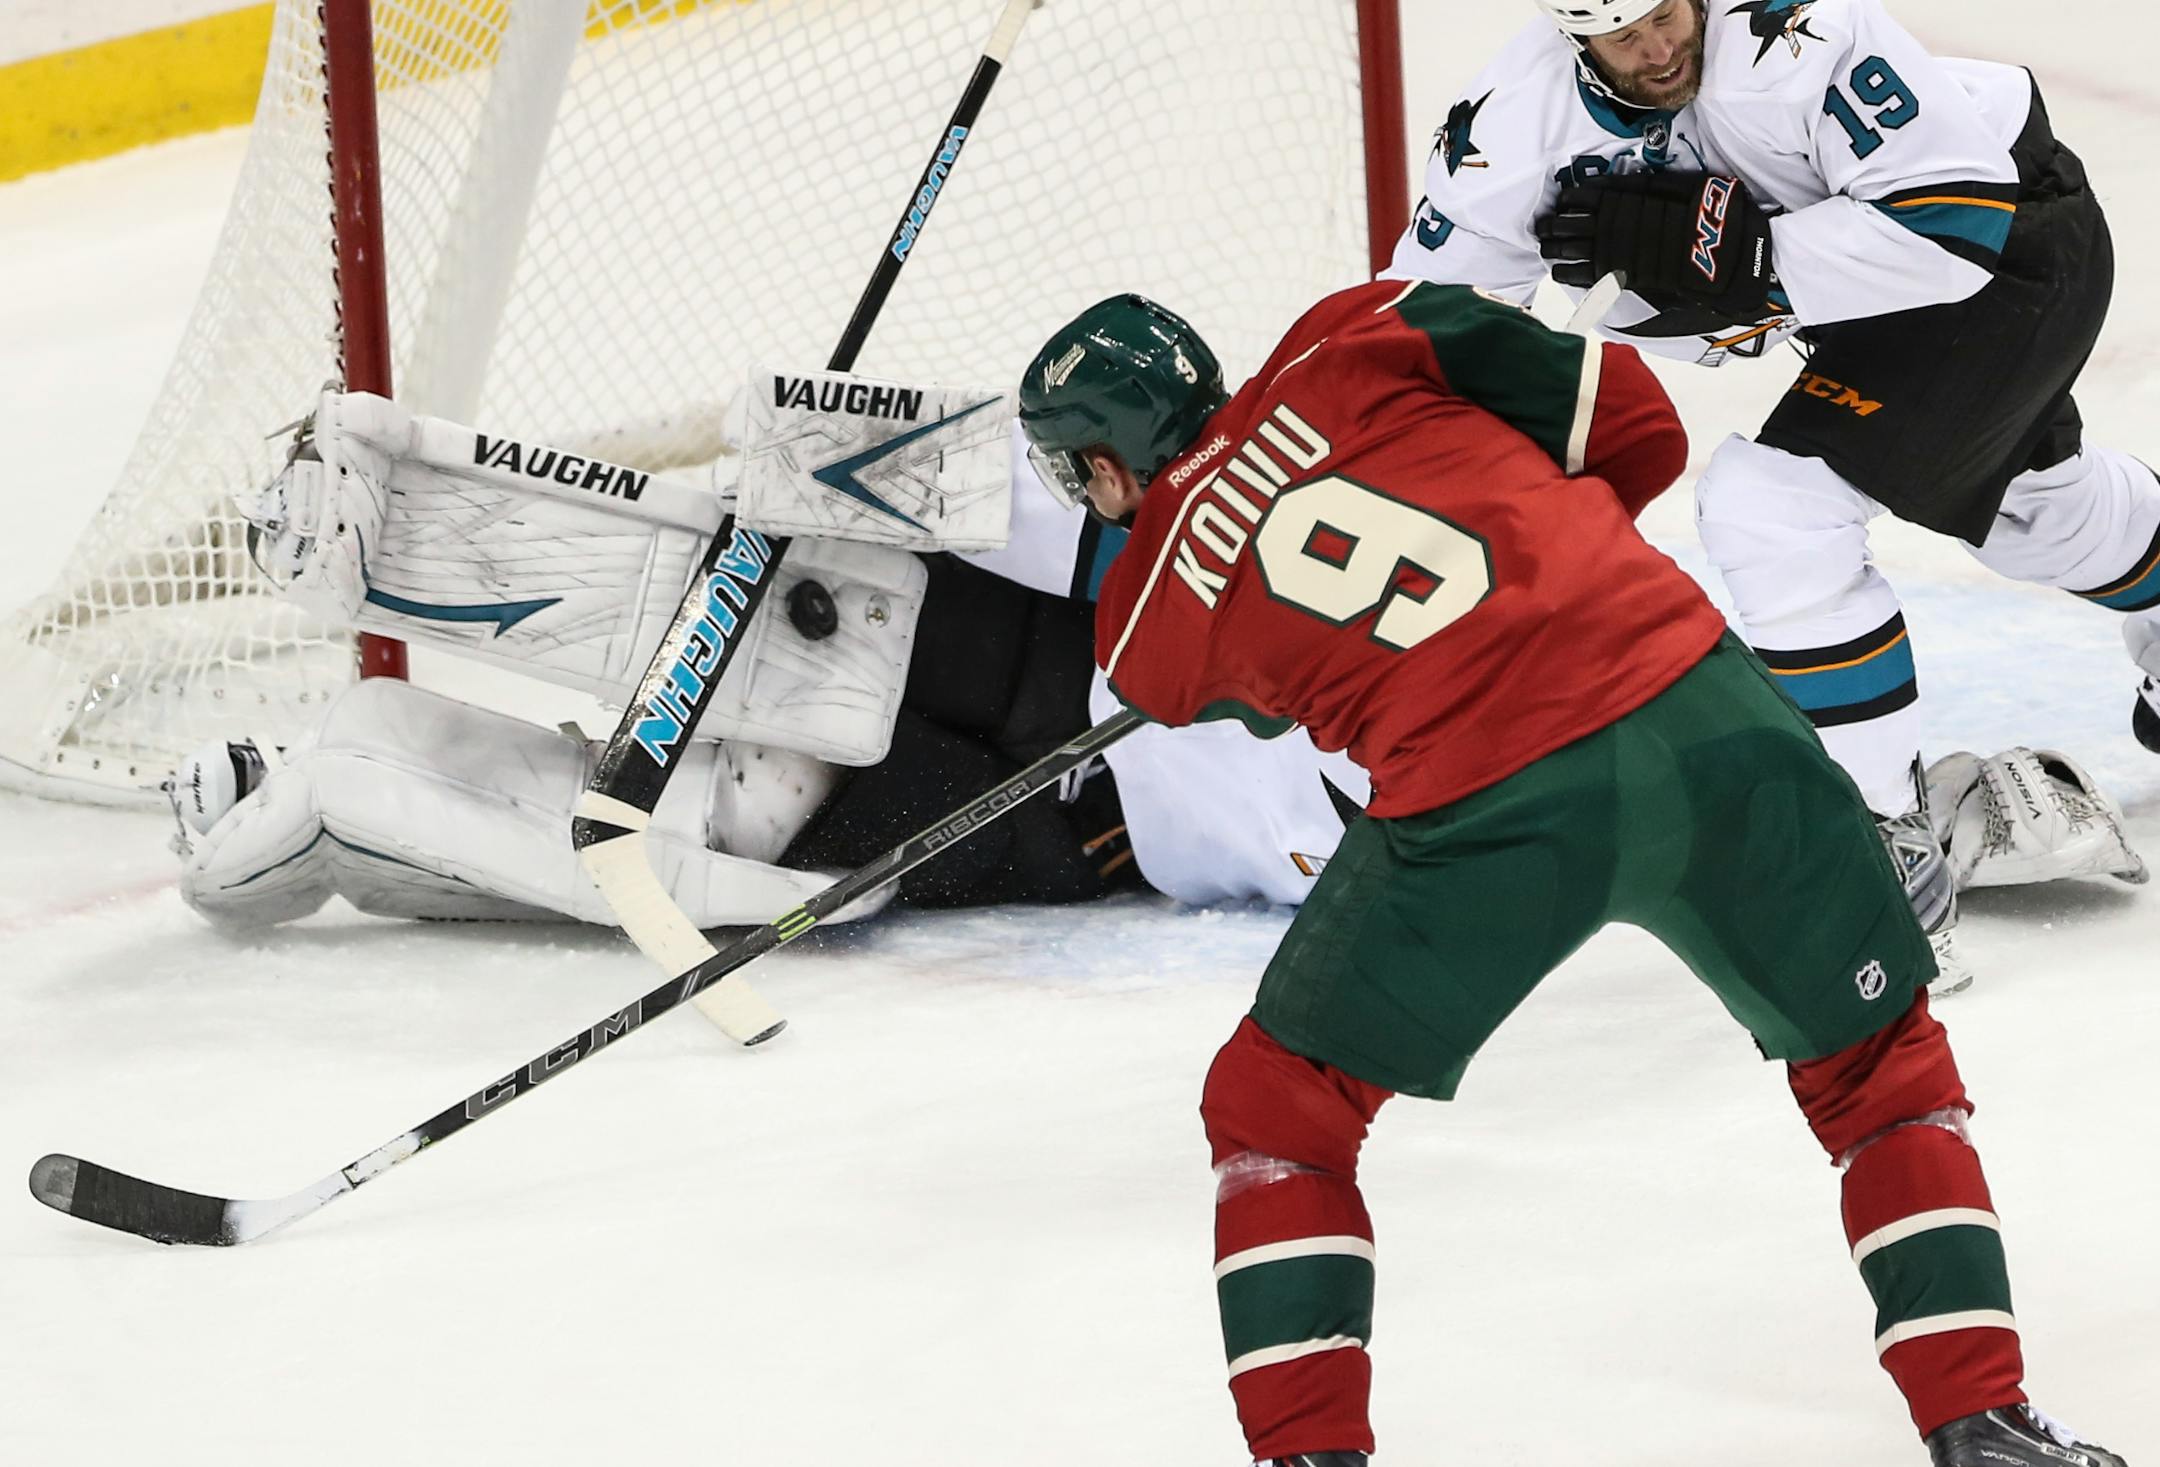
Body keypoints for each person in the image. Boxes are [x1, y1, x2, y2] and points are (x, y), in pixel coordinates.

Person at [1016, 285, 2126, 1466]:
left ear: (1103, 464)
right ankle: (1985, 1422)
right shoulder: (1364, 330)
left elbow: (1248, 703)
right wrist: (1553, 548)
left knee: (1276, 1111)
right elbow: (1636, 420)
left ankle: (1309, 1454)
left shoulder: (1143, 625)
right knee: (1879, 1070)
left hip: (1490, 813)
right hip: (1705, 714)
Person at [1384, 0, 2158, 975]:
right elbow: (1414, 327)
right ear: (1572, 34)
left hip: (2011, 251)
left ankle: (1874, 865)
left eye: (1667, 12)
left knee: (1770, 506)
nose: (1660, 47)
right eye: (1625, 38)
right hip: (1880, 308)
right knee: (2034, 518)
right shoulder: (1508, 125)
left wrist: (1748, 261)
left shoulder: (1797, 34)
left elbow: (1956, 220)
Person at [172, 431, 1368, 931]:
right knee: (845, 582)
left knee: (762, 810)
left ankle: (320, 799)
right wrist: (870, 454)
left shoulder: (1448, 791)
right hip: (1065, 642)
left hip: (1079, 806)